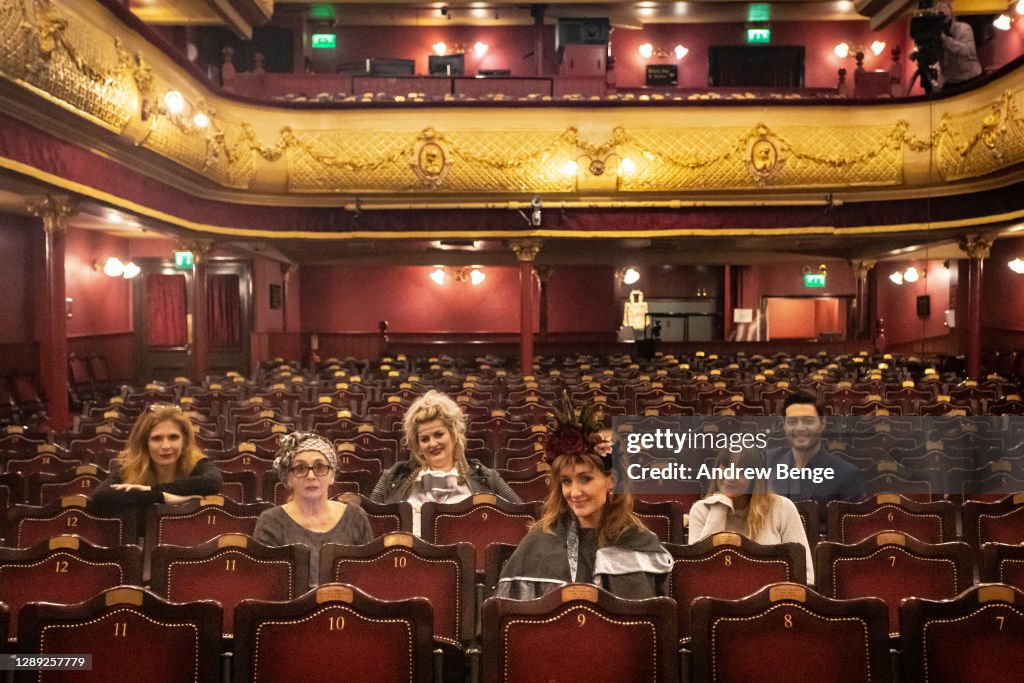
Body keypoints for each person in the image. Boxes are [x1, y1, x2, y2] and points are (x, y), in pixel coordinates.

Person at [496, 394, 672, 600]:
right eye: (567, 481)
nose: (574, 492)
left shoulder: (638, 541)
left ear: (612, 481)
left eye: (585, 479)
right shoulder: (538, 541)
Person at [370, 390, 521, 535]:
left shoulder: (487, 477)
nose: (433, 443)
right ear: (418, 445)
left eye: (439, 434)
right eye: (425, 439)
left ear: (454, 435)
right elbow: (368, 523)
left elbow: (522, 517)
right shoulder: (392, 478)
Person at [254, 431, 374, 585]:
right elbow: (268, 587)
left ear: (332, 475)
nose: (311, 476)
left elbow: (367, 579)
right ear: (288, 478)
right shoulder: (271, 521)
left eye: (320, 467)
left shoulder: (355, 516)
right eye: (300, 468)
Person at [689, 447, 814, 584]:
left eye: (742, 471)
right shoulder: (701, 510)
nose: (730, 477)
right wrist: (719, 508)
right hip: (718, 595)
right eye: (725, 467)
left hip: (772, 599)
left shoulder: (782, 508)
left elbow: (805, 574)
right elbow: (697, 569)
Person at [91, 405, 222, 512]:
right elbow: (101, 496)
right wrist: (163, 497)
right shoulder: (128, 466)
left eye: (173, 437)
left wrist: (150, 490)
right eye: (157, 438)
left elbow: (212, 482)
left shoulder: (197, 462)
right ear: (144, 443)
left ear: (185, 440)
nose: (166, 446)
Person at [767, 391, 865, 519]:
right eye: (792, 422)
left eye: (808, 421)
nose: (800, 428)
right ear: (784, 427)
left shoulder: (847, 476)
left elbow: (848, 531)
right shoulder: (766, 463)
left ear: (822, 424)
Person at [935, 1, 982, 89]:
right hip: (951, 82)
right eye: (938, 9)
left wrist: (945, 40)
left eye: (944, 7)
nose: (941, 10)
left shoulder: (964, 28)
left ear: (951, 11)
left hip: (971, 79)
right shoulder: (936, 33)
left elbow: (968, 52)